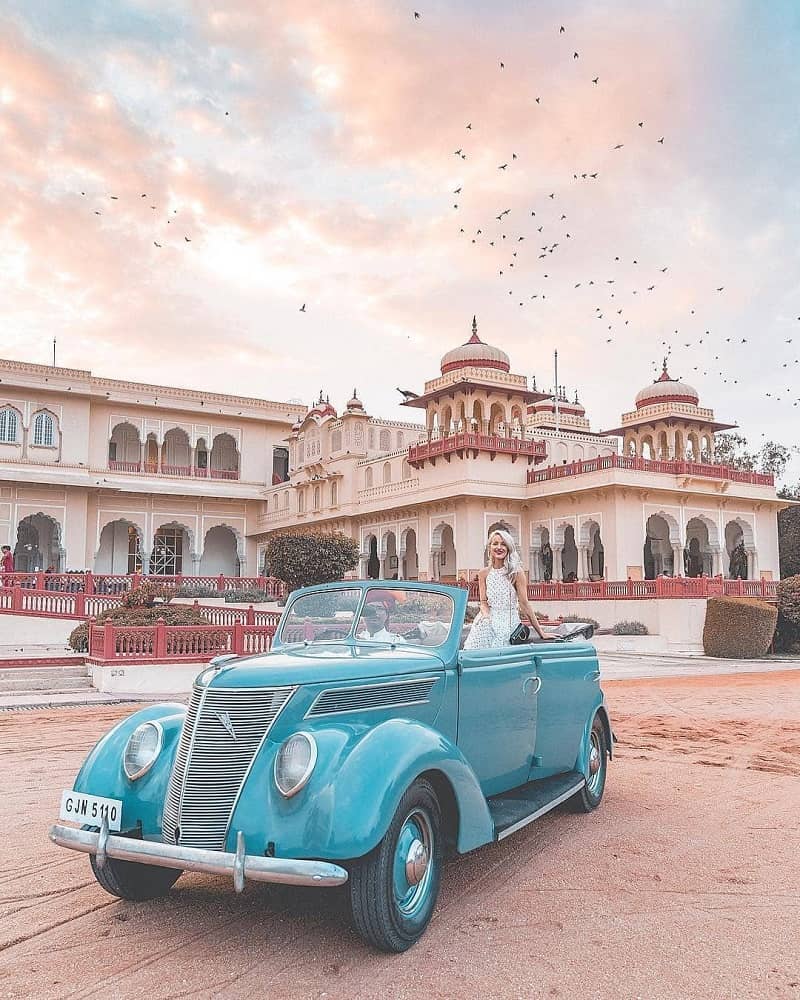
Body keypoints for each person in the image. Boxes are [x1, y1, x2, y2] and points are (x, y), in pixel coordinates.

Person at [464, 529, 547, 648]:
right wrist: (486, 616)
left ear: (509, 548)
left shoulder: (516, 573)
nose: (499, 547)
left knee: (499, 637)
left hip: (508, 620)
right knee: (480, 634)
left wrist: (541, 632)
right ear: (490, 547)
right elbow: (483, 602)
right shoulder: (483, 573)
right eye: (495, 543)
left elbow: (524, 604)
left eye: (503, 544)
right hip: (488, 618)